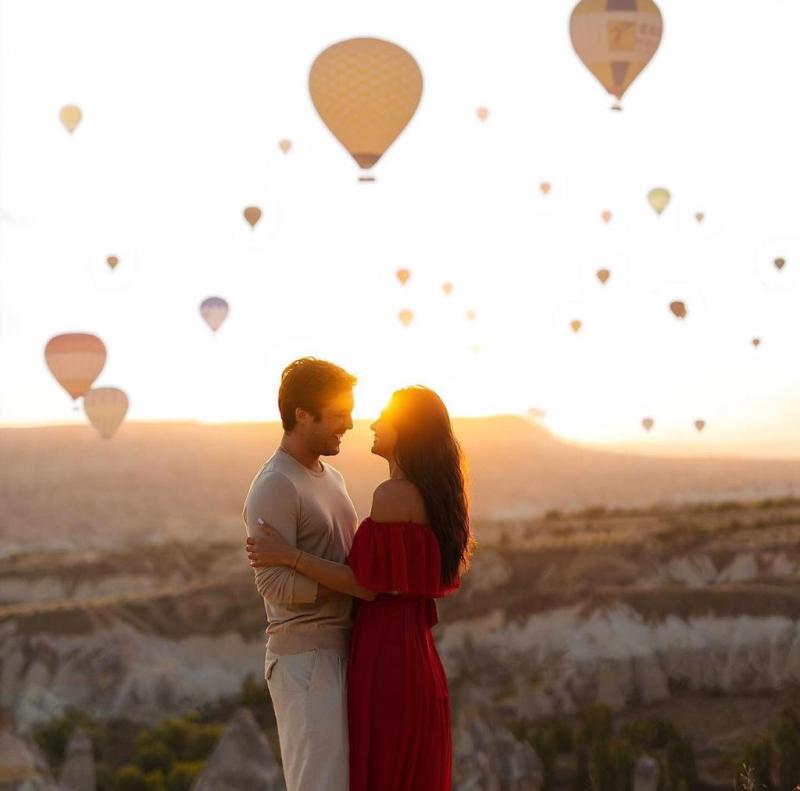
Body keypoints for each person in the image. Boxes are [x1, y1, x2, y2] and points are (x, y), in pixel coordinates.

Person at [247, 386, 473, 791]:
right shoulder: (428, 495)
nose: (370, 424)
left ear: (406, 431)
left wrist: (289, 555)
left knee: (386, 773)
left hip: (387, 653)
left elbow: (366, 584)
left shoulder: (393, 495)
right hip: (412, 652)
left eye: (385, 418)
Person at [242, 357, 358, 791]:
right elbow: (271, 583)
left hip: (347, 648)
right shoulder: (276, 484)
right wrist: (353, 587)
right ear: (302, 414)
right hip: (306, 659)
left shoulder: (334, 477)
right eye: (339, 414)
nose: (349, 424)